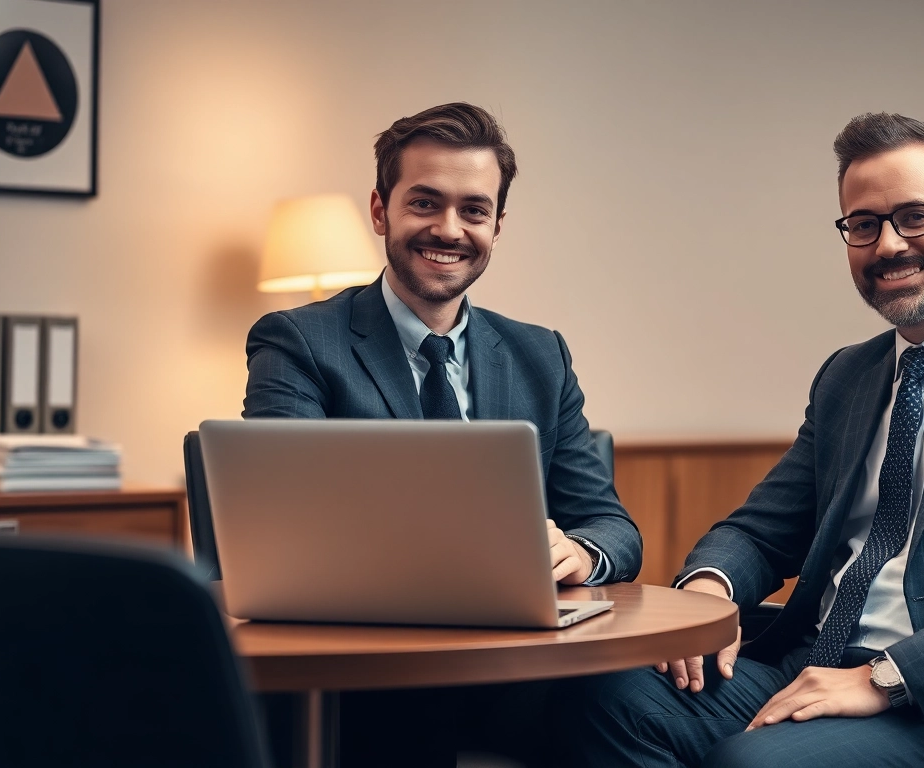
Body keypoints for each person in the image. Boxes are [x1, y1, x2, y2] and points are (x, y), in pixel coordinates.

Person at [567, 113, 924, 768]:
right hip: (814, 664)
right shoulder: (851, 375)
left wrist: (887, 675)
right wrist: (705, 596)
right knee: (604, 695)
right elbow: (762, 532)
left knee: (757, 764)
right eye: (863, 224)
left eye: (915, 216)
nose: (887, 245)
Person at [243, 102, 642, 765]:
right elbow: (282, 528)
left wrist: (578, 551)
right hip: (366, 679)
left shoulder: (540, 355)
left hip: (514, 673)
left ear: (497, 225)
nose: (449, 229)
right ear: (380, 211)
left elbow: (613, 526)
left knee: (633, 710)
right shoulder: (300, 343)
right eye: (425, 203)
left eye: (474, 210)